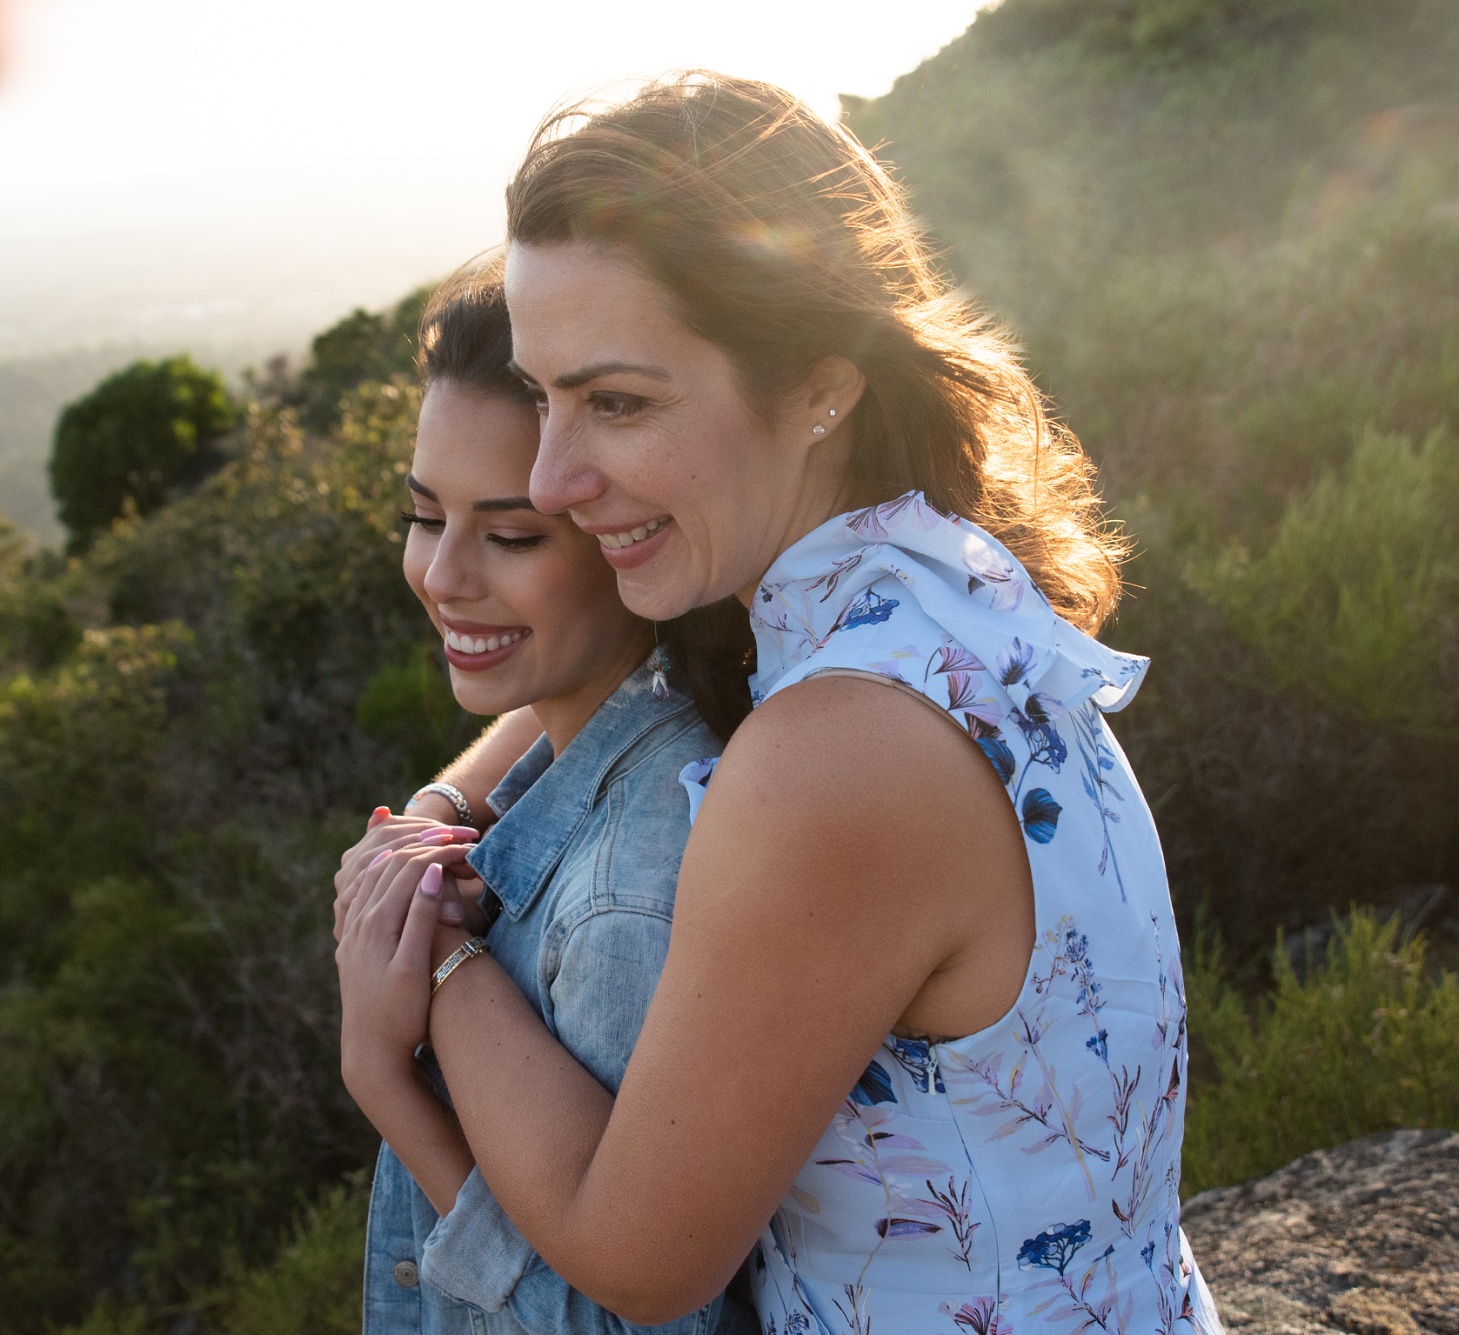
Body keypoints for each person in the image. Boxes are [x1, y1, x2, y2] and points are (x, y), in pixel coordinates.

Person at [336, 72, 1223, 1334]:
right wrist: (439, 805)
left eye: (618, 403)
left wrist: (436, 961)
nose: (554, 475)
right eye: (544, 397)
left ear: (818, 385)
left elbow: (637, 1265)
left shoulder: (830, 759)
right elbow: (589, 676)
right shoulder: (935, 591)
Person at [334, 261, 739, 1335]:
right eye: (426, 516)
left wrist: (387, 1073)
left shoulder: (628, 901)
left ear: (628, 540)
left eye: (511, 536)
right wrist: (432, 814)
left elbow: (613, 1318)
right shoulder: (604, 737)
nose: (443, 576)